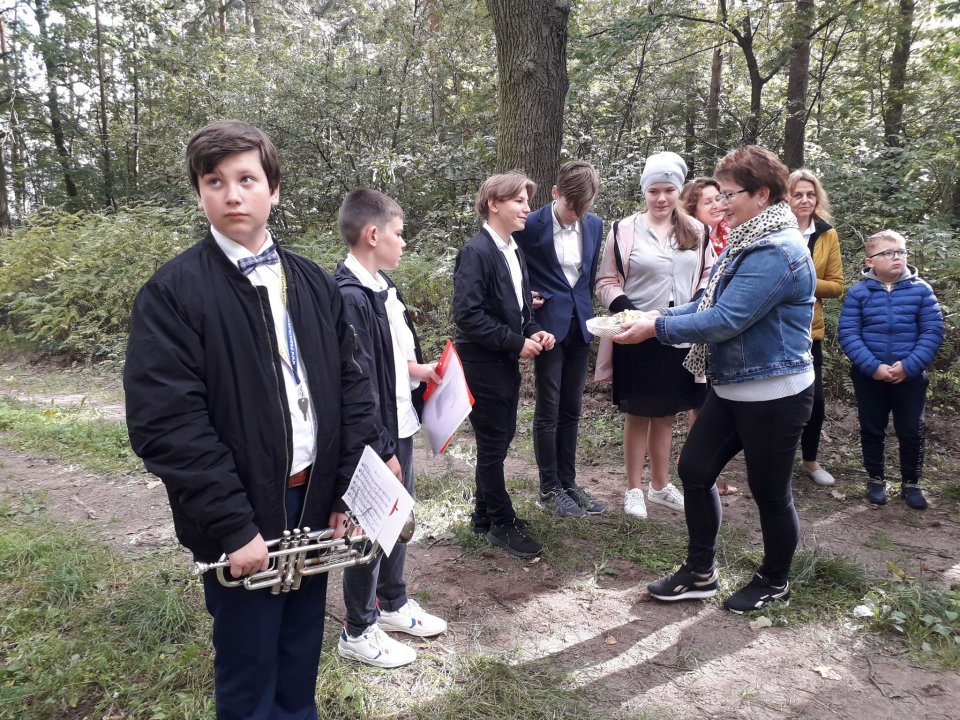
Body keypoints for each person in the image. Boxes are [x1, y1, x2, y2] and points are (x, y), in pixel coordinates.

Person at [123, 121, 378, 719]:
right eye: (214, 182)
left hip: (314, 500)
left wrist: (345, 489)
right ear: (199, 194)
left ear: (274, 190)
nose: (232, 194)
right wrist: (233, 526)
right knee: (248, 665)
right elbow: (168, 423)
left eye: (246, 179)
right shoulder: (173, 293)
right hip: (243, 512)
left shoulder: (314, 283)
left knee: (299, 655)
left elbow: (352, 387)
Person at [622, 146, 816, 613]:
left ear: (762, 194)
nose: (722, 203)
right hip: (731, 388)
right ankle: (700, 573)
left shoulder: (777, 250)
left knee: (770, 493)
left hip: (774, 393)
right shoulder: (747, 241)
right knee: (695, 471)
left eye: (730, 194)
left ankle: (774, 581)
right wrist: (656, 314)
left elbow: (726, 320)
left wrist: (656, 328)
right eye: (722, 194)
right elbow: (709, 301)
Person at [334, 189, 448, 668]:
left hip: (398, 424)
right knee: (371, 528)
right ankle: (358, 629)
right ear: (372, 234)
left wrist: (421, 372)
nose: (403, 243)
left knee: (397, 520)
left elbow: (389, 358)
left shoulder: (383, 286)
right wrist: (380, 448)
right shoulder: (349, 297)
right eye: (399, 234)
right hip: (375, 436)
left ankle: (392, 602)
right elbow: (356, 382)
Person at [595, 152, 714, 519]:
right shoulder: (624, 230)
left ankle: (660, 485)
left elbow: (709, 277)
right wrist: (630, 311)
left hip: (680, 333)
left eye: (669, 190)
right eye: (654, 191)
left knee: (666, 413)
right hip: (635, 335)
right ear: (644, 191)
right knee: (638, 412)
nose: (661, 199)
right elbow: (606, 281)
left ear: (679, 191)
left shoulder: (697, 231)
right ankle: (633, 488)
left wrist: (695, 304)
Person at [454, 171, 556, 558]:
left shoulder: (514, 250)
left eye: (527, 201)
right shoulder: (477, 251)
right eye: (519, 201)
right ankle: (501, 521)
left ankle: (483, 516)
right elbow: (468, 316)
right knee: (493, 444)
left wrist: (535, 331)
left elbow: (519, 310)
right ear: (494, 203)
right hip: (481, 363)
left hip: (503, 361)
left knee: (500, 438)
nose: (527, 208)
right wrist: (516, 343)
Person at [514, 161, 605, 518]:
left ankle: (568, 483)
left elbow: (587, 278)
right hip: (546, 328)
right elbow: (514, 270)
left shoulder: (594, 224)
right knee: (549, 407)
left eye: (583, 209)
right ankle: (549, 488)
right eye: (571, 207)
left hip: (581, 325)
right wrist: (525, 302)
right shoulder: (528, 224)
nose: (575, 216)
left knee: (572, 408)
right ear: (555, 193)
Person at [838, 230, 943, 509]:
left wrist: (909, 366)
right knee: (872, 428)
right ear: (870, 261)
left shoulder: (921, 290)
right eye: (887, 253)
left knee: (911, 430)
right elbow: (848, 333)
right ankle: (875, 479)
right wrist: (872, 367)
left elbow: (932, 332)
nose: (896, 257)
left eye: (900, 251)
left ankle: (912, 483)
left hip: (910, 376)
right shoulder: (859, 293)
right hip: (869, 376)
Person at [679, 177, 738, 496]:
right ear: (693, 208)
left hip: (725, 334)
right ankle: (699, 469)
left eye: (720, 199)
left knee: (714, 403)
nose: (717, 205)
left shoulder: (732, 235)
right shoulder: (692, 239)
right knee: (702, 403)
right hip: (695, 330)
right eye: (708, 201)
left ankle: (708, 468)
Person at [788, 169, 845, 487]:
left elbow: (836, 285)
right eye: (798, 194)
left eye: (810, 194)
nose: (805, 200)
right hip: (774, 329)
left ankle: (810, 460)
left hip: (810, 332)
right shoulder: (775, 229)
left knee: (814, 400)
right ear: (786, 198)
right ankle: (773, 460)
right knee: (774, 401)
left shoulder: (826, 234)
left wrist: (804, 281)